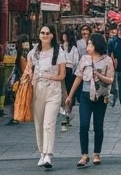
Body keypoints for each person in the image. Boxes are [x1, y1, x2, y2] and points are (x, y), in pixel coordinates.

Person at [24, 24, 70, 168]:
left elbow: (62, 74)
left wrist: (50, 76)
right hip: (37, 91)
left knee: (48, 124)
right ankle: (41, 153)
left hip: (53, 91)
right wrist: (28, 76)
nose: (44, 35)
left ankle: (48, 154)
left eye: (47, 33)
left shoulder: (59, 52)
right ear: (39, 35)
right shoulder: (33, 53)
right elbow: (27, 70)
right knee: (38, 124)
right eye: (42, 33)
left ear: (52, 35)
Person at [67, 33, 114, 168]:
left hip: (100, 97)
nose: (88, 46)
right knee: (84, 125)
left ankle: (96, 154)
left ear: (97, 45)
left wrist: (99, 75)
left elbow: (111, 80)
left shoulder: (107, 60)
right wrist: (70, 96)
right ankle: (84, 155)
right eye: (88, 44)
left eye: (91, 44)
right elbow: (78, 77)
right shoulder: (84, 59)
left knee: (98, 126)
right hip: (85, 96)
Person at [60, 31, 80, 130]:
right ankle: (65, 113)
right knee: (64, 92)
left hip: (70, 70)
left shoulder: (74, 49)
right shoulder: (60, 47)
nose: (64, 37)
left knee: (69, 92)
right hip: (63, 70)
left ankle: (67, 113)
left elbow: (76, 61)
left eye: (65, 35)